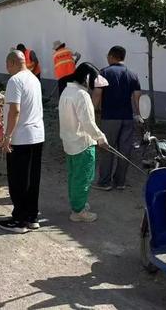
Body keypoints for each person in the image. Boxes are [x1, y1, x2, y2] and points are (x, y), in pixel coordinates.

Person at [0, 50, 45, 233]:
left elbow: (15, 111)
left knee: (18, 180)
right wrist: (4, 99)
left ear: (12, 63)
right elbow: (25, 104)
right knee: (32, 179)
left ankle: (19, 220)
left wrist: (7, 136)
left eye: (7, 65)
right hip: (37, 136)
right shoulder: (34, 79)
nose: (6, 69)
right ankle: (32, 217)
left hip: (21, 138)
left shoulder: (15, 80)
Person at [58, 62, 109, 222]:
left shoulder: (67, 90)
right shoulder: (82, 95)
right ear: (87, 78)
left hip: (69, 141)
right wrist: (100, 138)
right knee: (84, 177)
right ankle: (78, 211)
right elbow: (88, 122)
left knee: (75, 176)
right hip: (82, 143)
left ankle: (77, 204)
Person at [92, 45, 142, 191]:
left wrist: (91, 111)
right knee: (124, 150)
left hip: (110, 117)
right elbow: (137, 96)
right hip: (127, 117)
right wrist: (138, 114)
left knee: (107, 148)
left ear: (111, 56)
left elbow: (97, 93)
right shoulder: (133, 74)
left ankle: (104, 182)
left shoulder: (103, 73)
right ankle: (120, 182)